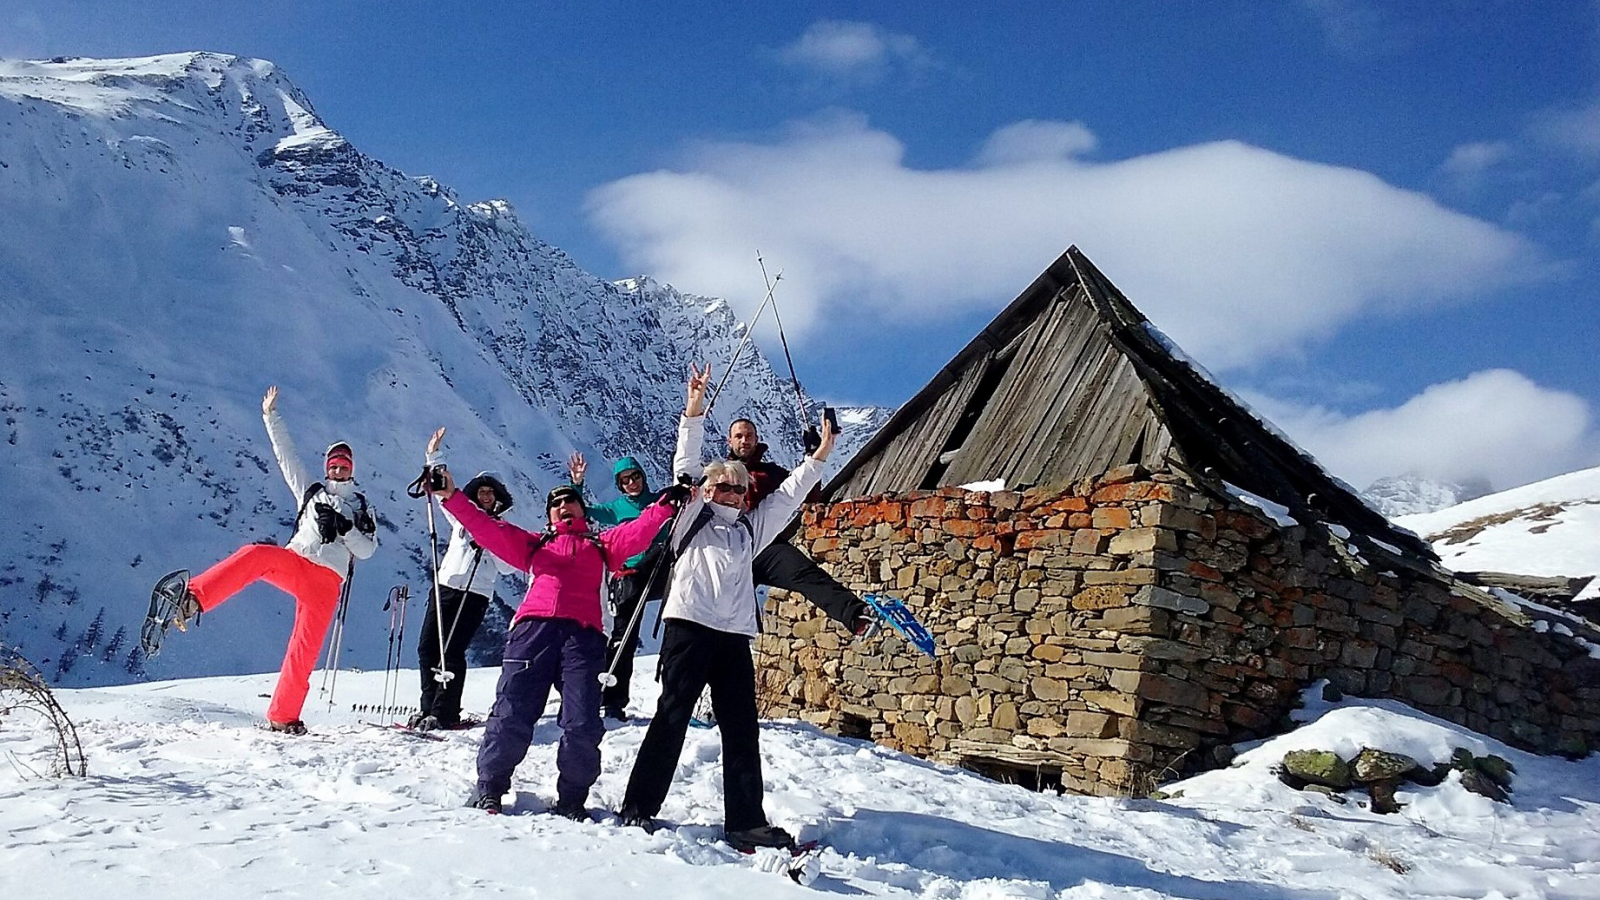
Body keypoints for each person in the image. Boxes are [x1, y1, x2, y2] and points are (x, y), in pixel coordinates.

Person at [617, 363, 838, 852]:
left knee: (742, 729)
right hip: (689, 628)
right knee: (671, 716)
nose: (731, 493)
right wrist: (693, 412)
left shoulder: (749, 529)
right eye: (722, 486)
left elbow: (786, 497)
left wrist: (820, 454)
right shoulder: (690, 517)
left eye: (738, 488)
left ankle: (746, 821)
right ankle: (638, 808)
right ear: (708, 490)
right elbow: (688, 467)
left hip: (735, 636)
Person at [431, 454, 681, 819]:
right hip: (533, 631)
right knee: (512, 712)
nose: (564, 507)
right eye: (557, 504)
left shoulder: (602, 546)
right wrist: (451, 496)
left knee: (582, 721)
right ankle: (490, 790)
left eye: (570, 502)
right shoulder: (533, 545)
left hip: (583, 638)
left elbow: (638, 530)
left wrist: (664, 506)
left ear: (581, 511)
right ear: (549, 515)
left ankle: (572, 799)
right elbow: (485, 528)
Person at [158, 385, 378, 735]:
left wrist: (346, 528)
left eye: (343, 466)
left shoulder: (362, 507)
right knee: (256, 555)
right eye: (333, 465)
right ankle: (194, 598)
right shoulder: (312, 492)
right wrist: (270, 416)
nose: (337, 470)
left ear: (351, 470)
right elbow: (286, 457)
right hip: (298, 563)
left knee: (303, 650)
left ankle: (283, 716)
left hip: (327, 582)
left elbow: (367, 550)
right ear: (327, 468)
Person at [408, 427, 520, 731]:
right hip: (445, 586)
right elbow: (443, 489)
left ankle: (445, 712)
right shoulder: (462, 518)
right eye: (481, 492)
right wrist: (433, 455)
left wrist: (490, 543)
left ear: (497, 499)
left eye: (490, 493)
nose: (485, 496)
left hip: (475, 595)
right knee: (427, 648)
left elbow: (509, 567)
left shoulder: (502, 529)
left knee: (452, 651)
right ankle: (427, 706)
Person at [727, 417, 874, 635]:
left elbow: (809, 495)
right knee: (731, 610)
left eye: (749, 436)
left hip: (767, 545)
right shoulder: (720, 474)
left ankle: (855, 615)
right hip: (729, 545)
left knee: (805, 573)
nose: (744, 440)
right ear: (729, 441)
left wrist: (812, 455)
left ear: (757, 440)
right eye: (739, 436)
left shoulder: (771, 473)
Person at [567, 452, 671, 721]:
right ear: (620, 485)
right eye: (625, 480)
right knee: (623, 638)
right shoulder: (616, 509)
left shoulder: (658, 502)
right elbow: (582, 510)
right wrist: (576, 484)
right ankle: (612, 700)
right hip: (631, 576)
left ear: (642, 477)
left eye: (635, 477)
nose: (632, 483)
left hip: (661, 571)